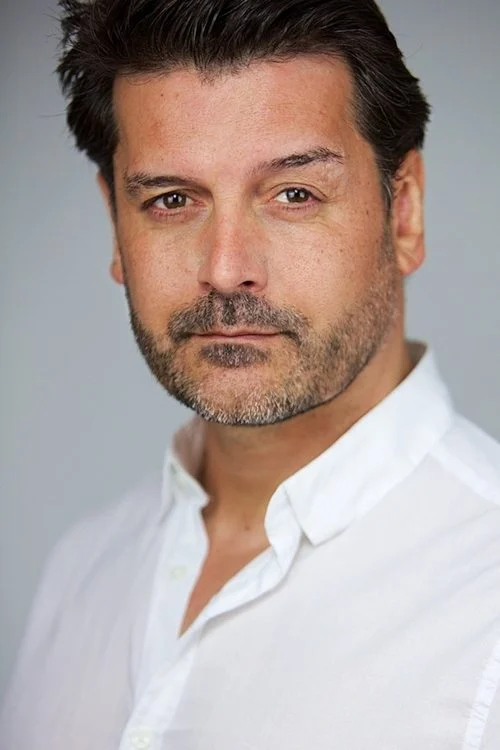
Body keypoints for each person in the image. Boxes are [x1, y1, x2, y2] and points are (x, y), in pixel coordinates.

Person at [1, 0, 500, 747]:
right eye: (172, 200)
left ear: (403, 213)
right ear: (115, 226)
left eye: (294, 194)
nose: (226, 268)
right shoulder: (81, 570)